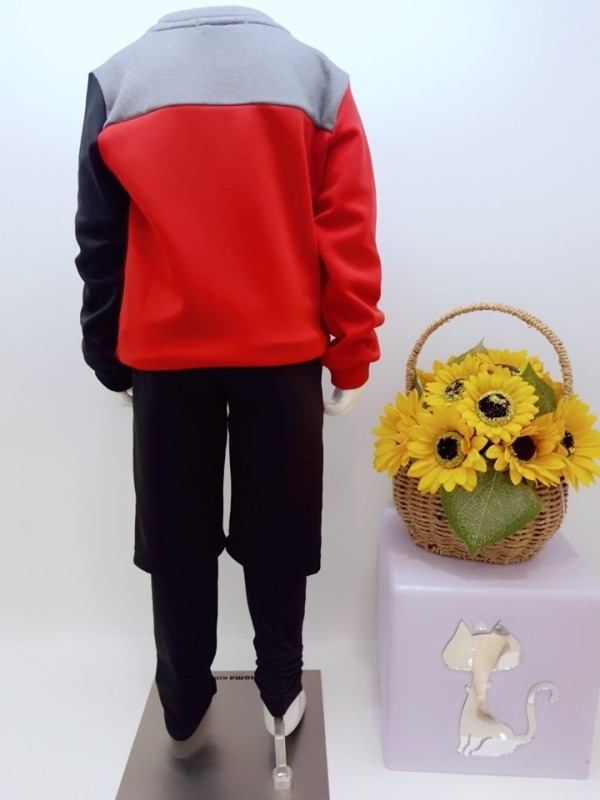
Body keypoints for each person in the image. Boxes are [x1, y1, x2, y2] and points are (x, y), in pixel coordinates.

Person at [75, 6, 383, 744]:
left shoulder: (121, 79)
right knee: (280, 527)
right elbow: (346, 225)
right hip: (280, 354)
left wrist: (106, 352)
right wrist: (351, 350)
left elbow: (100, 233)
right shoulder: (315, 77)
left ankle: (183, 700)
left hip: (163, 356)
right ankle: (280, 690)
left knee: (175, 535)